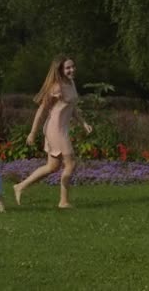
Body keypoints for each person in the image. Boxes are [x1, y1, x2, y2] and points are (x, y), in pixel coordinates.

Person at [13, 54, 93, 208]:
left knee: (52, 167)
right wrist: (32, 133)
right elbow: (41, 110)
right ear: (61, 70)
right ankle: (63, 201)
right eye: (68, 68)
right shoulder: (56, 87)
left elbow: (72, 108)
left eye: (72, 66)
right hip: (55, 130)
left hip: (61, 129)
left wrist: (84, 123)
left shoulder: (71, 83)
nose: (72, 70)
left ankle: (20, 186)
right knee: (71, 164)